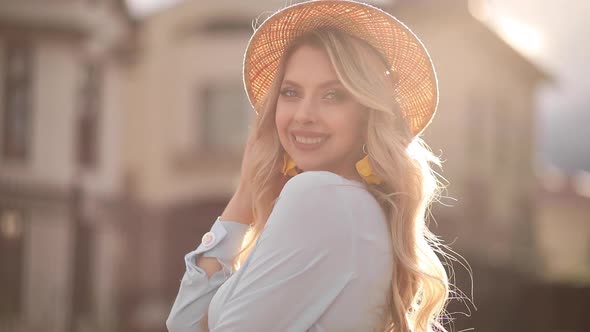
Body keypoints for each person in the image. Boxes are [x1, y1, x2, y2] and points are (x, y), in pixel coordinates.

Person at [166, 1, 453, 331]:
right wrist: (247, 193)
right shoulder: (357, 207)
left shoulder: (321, 197)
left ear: (368, 112)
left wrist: (245, 195)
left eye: (332, 96)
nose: (303, 114)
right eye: (290, 92)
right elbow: (184, 325)